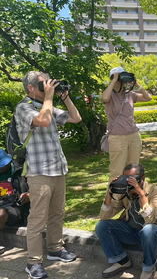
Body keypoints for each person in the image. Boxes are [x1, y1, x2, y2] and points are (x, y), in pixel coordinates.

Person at [15, 71, 82, 279]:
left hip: (58, 169)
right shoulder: (23, 108)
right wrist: (50, 98)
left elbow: (75, 118)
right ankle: (33, 262)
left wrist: (65, 96)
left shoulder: (49, 104)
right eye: (45, 84)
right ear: (31, 88)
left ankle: (55, 249)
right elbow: (43, 121)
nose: (49, 86)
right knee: (37, 219)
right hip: (39, 171)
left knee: (57, 213)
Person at [95, 163, 157, 279]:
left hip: (155, 232)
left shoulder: (155, 191)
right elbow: (105, 217)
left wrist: (141, 194)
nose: (128, 182)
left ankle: (148, 268)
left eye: (132, 179)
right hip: (133, 231)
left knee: (148, 230)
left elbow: (151, 220)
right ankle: (122, 261)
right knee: (102, 226)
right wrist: (110, 192)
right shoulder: (125, 191)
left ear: (142, 179)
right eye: (126, 178)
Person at [102, 67, 152, 182]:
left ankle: (131, 197)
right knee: (117, 171)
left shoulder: (130, 94)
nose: (122, 80)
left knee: (134, 170)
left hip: (134, 135)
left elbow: (148, 98)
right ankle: (114, 199)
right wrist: (114, 80)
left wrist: (136, 84)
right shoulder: (109, 95)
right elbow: (104, 98)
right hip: (117, 137)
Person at [0, 149, 30, 255]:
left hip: (15, 207)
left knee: (1, 213)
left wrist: (29, 194)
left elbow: (36, 188)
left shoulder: (20, 171)